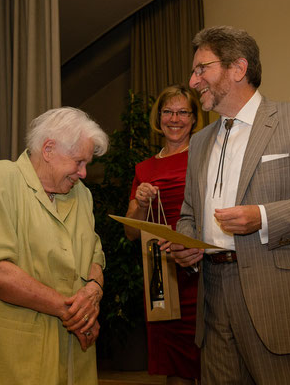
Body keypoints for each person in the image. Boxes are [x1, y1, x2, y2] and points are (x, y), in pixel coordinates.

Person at [168, 26, 290, 384]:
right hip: (213, 298)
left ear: (238, 68)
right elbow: (190, 214)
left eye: (201, 69)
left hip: (279, 300)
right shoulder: (200, 141)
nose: (193, 81)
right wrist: (186, 241)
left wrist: (264, 216)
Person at [0, 107, 109, 385]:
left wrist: (93, 293)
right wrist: (72, 312)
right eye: (79, 162)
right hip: (10, 358)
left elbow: (95, 257)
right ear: (48, 149)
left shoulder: (82, 195)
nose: (84, 173)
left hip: (73, 358)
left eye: (87, 163)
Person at [124, 85, 203, 384]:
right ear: (159, 117)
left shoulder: (206, 157)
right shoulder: (144, 169)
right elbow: (131, 232)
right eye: (168, 111)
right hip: (162, 275)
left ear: (194, 118)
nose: (175, 119)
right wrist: (142, 204)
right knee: (174, 364)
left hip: (202, 272)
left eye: (183, 112)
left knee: (213, 361)